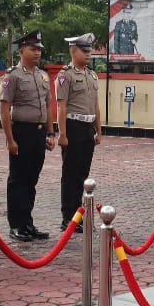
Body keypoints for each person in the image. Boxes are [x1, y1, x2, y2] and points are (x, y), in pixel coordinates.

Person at [0, 30, 54, 241]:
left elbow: (48, 107)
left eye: (39, 49)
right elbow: (4, 109)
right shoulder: (12, 76)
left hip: (39, 133)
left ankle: (28, 223)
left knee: (32, 179)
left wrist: (50, 132)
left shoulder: (42, 75)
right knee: (18, 180)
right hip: (21, 131)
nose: (37, 53)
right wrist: (10, 139)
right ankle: (16, 225)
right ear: (21, 51)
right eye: (33, 49)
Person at [58, 33, 101, 233]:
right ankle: (68, 217)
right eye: (84, 50)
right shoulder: (65, 75)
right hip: (73, 126)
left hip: (87, 128)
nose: (88, 54)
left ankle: (78, 215)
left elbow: (95, 105)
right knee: (70, 174)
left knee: (82, 175)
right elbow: (61, 106)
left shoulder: (92, 75)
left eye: (89, 50)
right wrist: (62, 134)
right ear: (73, 51)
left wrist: (98, 130)